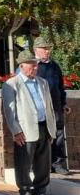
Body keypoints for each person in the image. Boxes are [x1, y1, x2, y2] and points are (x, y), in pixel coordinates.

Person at [2, 50, 57, 195]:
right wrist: (16, 130)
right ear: (21, 66)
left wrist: (51, 127)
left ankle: (41, 191)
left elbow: (49, 106)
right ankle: (25, 190)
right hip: (25, 130)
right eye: (31, 65)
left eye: (36, 65)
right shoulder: (12, 84)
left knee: (43, 163)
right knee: (24, 163)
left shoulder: (42, 82)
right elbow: (9, 110)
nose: (35, 68)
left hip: (44, 127)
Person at [31, 37, 71, 175]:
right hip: (40, 109)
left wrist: (63, 103)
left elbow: (60, 86)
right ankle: (42, 165)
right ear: (36, 49)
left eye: (48, 48)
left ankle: (58, 164)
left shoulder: (54, 66)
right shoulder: (32, 66)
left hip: (56, 106)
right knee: (43, 136)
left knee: (59, 135)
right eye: (44, 48)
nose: (47, 51)